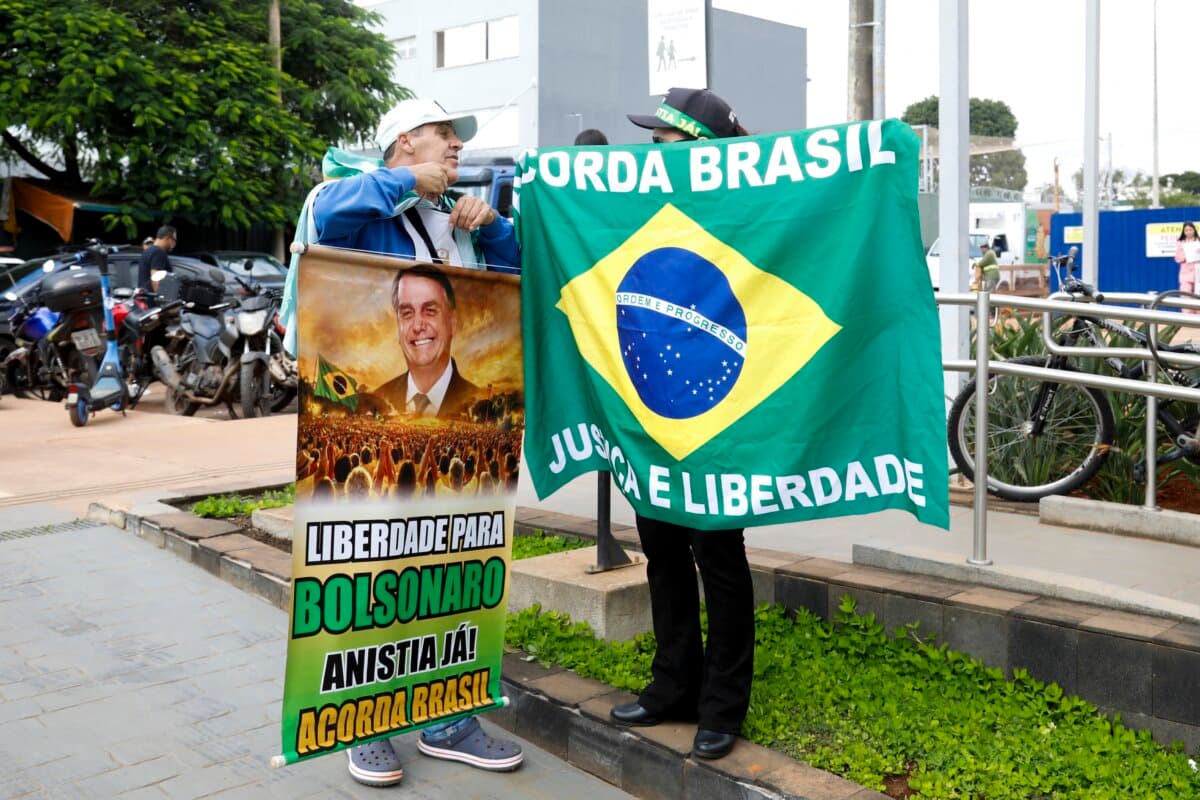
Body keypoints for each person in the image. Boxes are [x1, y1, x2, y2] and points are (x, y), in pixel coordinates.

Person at [306, 97, 523, 787]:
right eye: (443, 136)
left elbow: (510, 282)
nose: (456, 147)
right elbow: (323, 220)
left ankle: (445, 715)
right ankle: (360, 718)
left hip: (457, 417)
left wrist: (494, 228)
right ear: (405, 141)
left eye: (459, 139)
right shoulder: (354, 196)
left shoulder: (457, 214)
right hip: (368, 412)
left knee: (449, 562)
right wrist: (407, 183)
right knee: (370, 562)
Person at [608, 87, 753, 762]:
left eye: (661, 143)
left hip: (717, 417)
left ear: (697, 148)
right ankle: (673, 686)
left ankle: (723, 705)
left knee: (718, 559)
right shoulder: (644, 206)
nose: (650, 153)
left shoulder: (745, 212)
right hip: (651, 412)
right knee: (662, 551)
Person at [365, 265, 481, 419]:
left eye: (430, 311)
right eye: (407, 313)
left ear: (452, 322)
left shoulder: (480, 403)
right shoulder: (376, 400)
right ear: (398, 326)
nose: (418, 326)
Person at [137, 226, 176, 291]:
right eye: (174, 240)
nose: (174, 243)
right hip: (151, 299)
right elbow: (156, 278)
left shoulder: (147, 251)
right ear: (167, 238)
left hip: (143, 296)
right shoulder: (159, 252)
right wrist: (161, 298)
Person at [1175, 222, 1200, 314]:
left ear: (1194, 230)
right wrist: (1186, 255)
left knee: (1198, 295)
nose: (1188, 232)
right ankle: (1186, 316)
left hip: (1198, 273)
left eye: (1190, 230)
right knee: (1185, 294)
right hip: (1186, 274)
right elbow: (1177, 258)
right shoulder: (1181, 242)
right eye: (1186, 230)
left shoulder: (1199, 241)